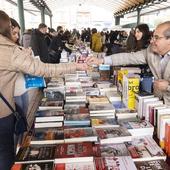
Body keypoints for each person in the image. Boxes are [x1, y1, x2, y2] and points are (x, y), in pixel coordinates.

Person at [0, 10, 87, 170]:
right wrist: (75, 66)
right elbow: (44, 69)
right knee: (5, 155)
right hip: (2, 114)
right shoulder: (9, 52)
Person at [86, 21, 170, 105]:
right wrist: (101, 60)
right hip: (158, 105)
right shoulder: (150, 52)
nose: (152, 41)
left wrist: (167, 87)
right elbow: (128, 57)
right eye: (152, 37)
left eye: (156, 37)